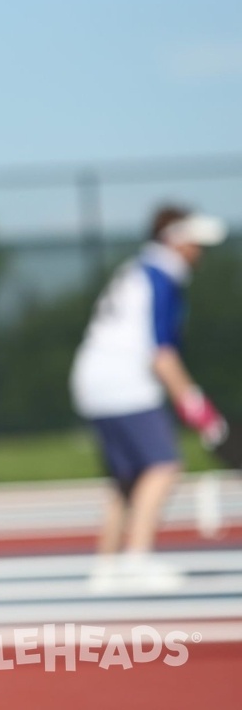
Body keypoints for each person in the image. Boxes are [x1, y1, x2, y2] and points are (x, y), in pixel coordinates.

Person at [70, 205, 227, 586]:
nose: (198, 252)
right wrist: (199, 411)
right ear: (174, 240)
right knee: (163, 466)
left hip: (92, 379)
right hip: (124, 381)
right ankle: (136, 559)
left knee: (127, 478)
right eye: (194, 243)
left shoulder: (137, 270)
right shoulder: (161, 276)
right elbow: (161, 354)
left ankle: (105, 567)